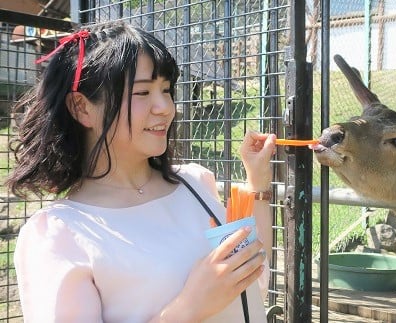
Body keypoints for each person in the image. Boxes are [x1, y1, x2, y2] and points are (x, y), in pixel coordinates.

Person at [7, 20, 276, 323]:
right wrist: (188, 309)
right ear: (82, 108)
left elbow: (253, 285)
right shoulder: (61, 234)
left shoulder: (196, 184)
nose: (165, 107)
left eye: (166, 89)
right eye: (142, 93)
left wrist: (259, 183)